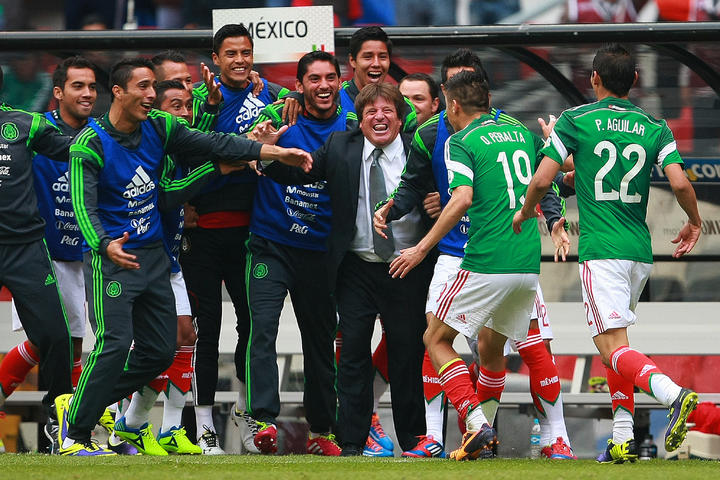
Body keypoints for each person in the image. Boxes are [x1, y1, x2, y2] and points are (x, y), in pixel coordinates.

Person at [52, 57, 312, 456]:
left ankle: (80, 404)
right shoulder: (89, 143)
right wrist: (104, 245)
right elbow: (82, 207)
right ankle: (76, 434)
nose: (150, 95)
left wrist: (270, 152)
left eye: (152, 87)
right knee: (113, 345)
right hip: (113, 260)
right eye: (142, 87)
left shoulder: (160, 125)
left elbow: (215, 143)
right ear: (118, 91)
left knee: (159, 352)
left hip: (154, 256)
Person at [375, 49, 574, 459]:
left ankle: (487, 424)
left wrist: (420, 248)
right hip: (521, 258)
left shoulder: (461, 139)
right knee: (492, 347)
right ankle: (448, 436)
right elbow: (547, 177)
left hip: (478, 256)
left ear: (451, 101)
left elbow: (463, 197)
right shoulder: (513, 132)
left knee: (436, 338)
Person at [513, 43, 701, 463]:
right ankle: (622, 437)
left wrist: (526, 211)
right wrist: (693, 220)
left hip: (602, 251)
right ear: (634, 80)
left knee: (609, 346)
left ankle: (673, 394)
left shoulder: (576, 120)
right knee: (619, 342)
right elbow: (681, 184)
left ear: (593, 77)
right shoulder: (655, 126)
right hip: (639, 253)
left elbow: (542, 181)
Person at [263, 83, 432, 457]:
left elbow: (444, 190)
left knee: (406, 353)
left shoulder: (418, 148)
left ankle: (413, 440)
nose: (379, 118)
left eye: (387, 111)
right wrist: (266, 156)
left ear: (400, 118)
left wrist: (436, 202)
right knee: (353, 352)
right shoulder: (341, 145)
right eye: (371, 112)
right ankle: (353, 441)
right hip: (356, 266)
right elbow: (301, 172)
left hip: (406, 266)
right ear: (360, 119)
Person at [183, 24, 299, 454]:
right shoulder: (198, 100)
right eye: (230, 53)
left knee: (252, 326)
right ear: (215, 58)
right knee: (206, 331)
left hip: (250, 233)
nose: (239, 60)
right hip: (200, 234)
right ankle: (203, 427)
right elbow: (186, 154)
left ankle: (248, 413)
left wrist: (292, 95)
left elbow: (301, 101)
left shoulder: (269, 94)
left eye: (245, 52)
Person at [108, 80, 241, 456]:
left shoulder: (176, 145)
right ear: (157, 114)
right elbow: (167, 194)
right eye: (175, 106)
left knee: (184, 335)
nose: (184, 113)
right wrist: (216, 169)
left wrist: (210, 109)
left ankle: (155, 426)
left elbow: (202, 143)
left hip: (169, 260)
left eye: (187, 106)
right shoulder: (156, 152)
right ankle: (106, 412)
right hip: (142, 260)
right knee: (148, 344)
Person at [241, 51, 356, 456]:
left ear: (340, 82)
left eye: (330, 78)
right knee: (262, 329)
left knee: (321, 342)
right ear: (299, 85)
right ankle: (261, 420)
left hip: (321, 253)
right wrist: (261, 146)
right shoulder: (278, 115)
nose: (323, 86)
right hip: (271, 244)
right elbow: (245, 148)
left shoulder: (353, 124)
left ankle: (321, 431)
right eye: (314, 79)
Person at [0, 57, 96, 416]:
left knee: (56, 337)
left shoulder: (25, 123)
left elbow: (76, 150)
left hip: (25, 248)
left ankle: (60, 419)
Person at [339, 26, 417, 132]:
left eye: (382, 57)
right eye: (368, 57)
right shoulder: (336, 101)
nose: (376, 63)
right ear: (352, 61)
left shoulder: (404, 106)